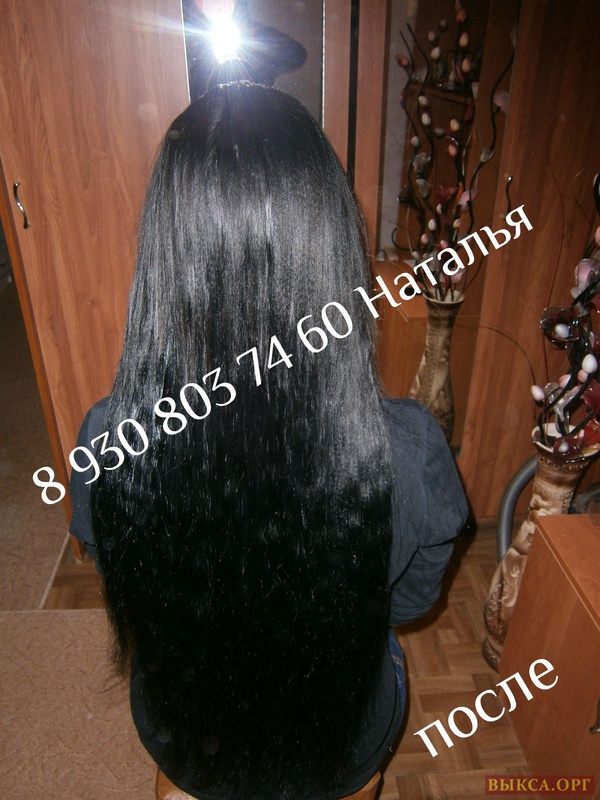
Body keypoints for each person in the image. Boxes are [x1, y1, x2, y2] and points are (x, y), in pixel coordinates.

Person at [69, 81, 467, 800]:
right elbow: (410, 605)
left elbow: (120, 572)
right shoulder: (409, 453)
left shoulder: (107, 437)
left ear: (165, 258)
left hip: (188, 741)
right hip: (340, 747)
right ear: (332, 248)